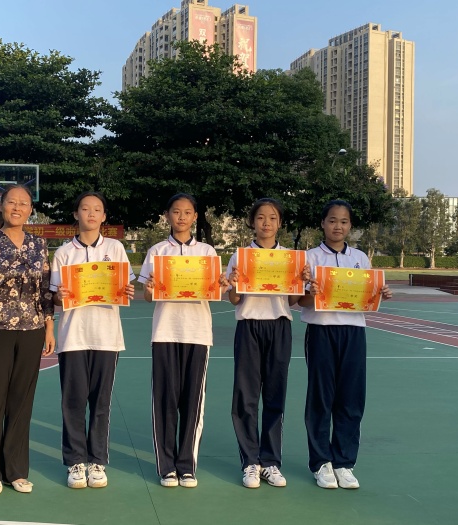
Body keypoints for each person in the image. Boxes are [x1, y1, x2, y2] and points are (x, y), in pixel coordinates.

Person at [0, 184, 55, 495]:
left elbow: (46, 290)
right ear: (1, 206)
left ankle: (15, 470)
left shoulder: (39, 245)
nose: (17, 208)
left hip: (32, 331)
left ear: (31, 209)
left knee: (21, 402)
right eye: (12, 202)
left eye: (24, 203)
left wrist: (49, 328)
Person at [297, 199, 392, 490]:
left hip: (354, 332)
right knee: (321, 398)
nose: (337, 226)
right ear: (322, 223)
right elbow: (300, 301)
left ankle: (344, 463)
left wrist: (380, 293)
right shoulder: (309, 258)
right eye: (332, 220)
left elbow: (366, 297)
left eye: (343, 221)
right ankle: (321, 462)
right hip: (321, 331)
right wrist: (312, 292)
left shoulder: (360, 259)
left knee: (351, 398)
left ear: (350, 226)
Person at [139, 193, 228, 489]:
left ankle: (186, 466)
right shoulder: (157, 251)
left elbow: (215, 293)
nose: (181, 217)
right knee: (165, 401)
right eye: (176, 212)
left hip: (198, 333)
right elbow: (147, 295)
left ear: (195, 217)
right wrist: (150, 289)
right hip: (165, 332)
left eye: (187, 212)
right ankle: (167, 467)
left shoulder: (207, 252)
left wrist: (221, 285)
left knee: (193, 402)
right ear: (167, 215)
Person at [51, 191, 135, 489]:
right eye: (85, 208)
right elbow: (55, 297)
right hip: (73, 337)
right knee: (73, 402)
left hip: (107, 338)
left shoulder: (115, 248)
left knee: (101, 403)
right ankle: (75, 462)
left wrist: (127, 290)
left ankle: (97, 461)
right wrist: (59, 296)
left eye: (97, 209)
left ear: (104, 216)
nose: (90, 213)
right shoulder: (64, 253)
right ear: (76, 214)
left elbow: (126, 285)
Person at [226, 198, 309, 489]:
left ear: (280, 223)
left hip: (279, 326)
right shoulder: (241, 256)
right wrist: (235, 282)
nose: (266, 223)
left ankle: (271, 461)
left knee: (275, 395)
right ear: (252, 221)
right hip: (249, 326)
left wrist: (301, 281)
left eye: (272, 218)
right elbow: (234, 299)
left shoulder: (290, 258)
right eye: (261, 217)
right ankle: (250, 461)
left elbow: (294, 301)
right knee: (246, 396)